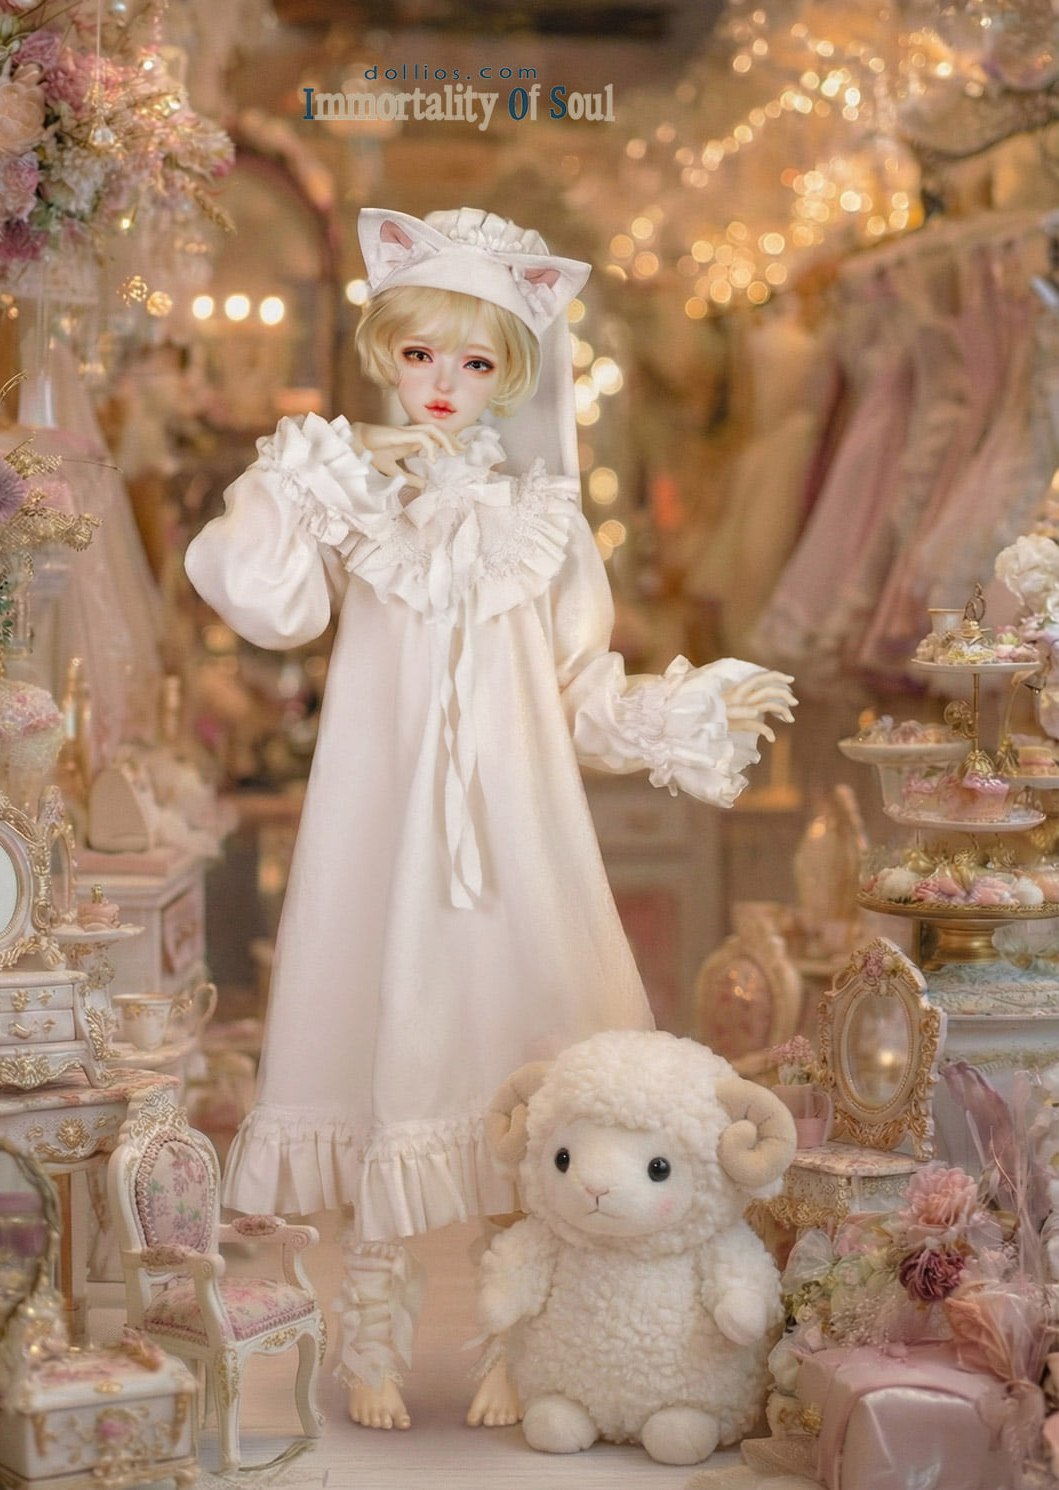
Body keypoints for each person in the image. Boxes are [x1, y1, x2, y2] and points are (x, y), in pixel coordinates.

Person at [184, 206, 797, 1432]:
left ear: (510, 372)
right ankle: (371, 1336)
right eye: (421, 354)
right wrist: (290, 481)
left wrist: (681, 713)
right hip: (378, 824)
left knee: (526, 1048)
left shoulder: (543, 522)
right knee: (382, 1052)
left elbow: (579, 691)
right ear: (387, 352)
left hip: (515, 831)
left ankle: (524, 1341)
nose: (442, 382)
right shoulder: (358, 494)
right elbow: (269, 605)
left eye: (473, 360)